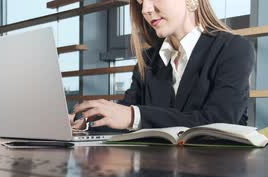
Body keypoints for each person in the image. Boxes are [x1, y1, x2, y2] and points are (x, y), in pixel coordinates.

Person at [70, 0, 255, 130]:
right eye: (140, 1)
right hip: (157, 176)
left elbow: (220, 122)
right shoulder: (149, 60)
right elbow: (121, 115)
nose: (145, 9)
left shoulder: (233, 49)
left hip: (217, 176)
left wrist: (135, 117)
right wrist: (85, 122)